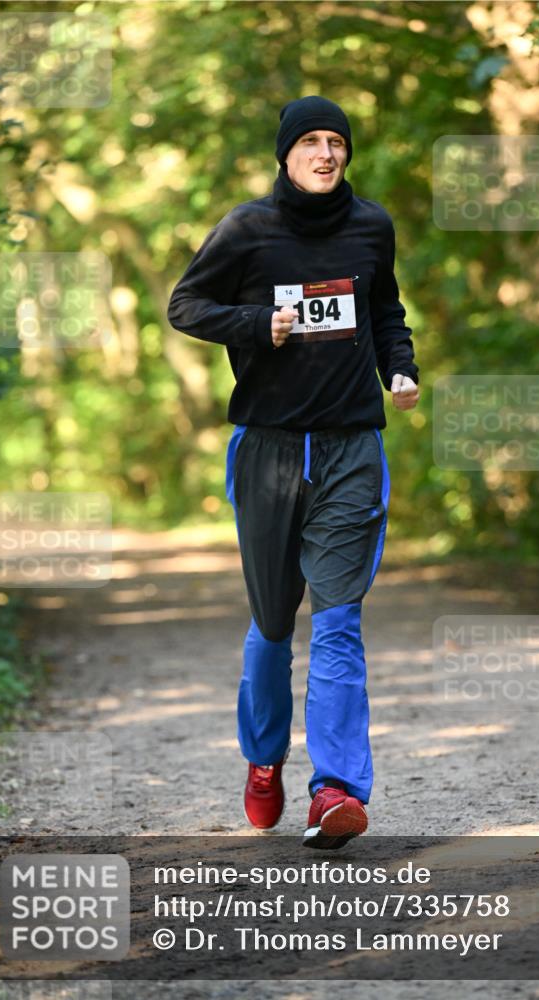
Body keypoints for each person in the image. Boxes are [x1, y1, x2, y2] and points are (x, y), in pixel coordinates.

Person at [167, 95, 420, 849]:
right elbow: (186, 305)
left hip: (351, 448)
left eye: (335, 141)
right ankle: (263, 758)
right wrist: (253, 325)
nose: (324, 153)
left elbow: (385, 312)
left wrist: (398, 369)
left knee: (338, 620)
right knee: (274, 623)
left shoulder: (372, 226)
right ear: (285, 153)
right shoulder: (248, 229)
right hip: (269, 449)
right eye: (309, 140)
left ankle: (337, 790)